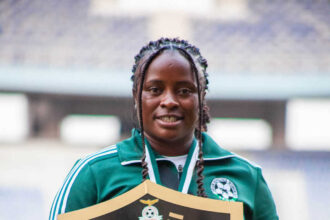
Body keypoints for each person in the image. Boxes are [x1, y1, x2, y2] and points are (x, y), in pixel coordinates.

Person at [49, 38, 278, 220]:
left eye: (185, 91)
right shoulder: (93, 173)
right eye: (155, 89)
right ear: (137, 97)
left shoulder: (247, 176)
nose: (169, 101)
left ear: (202, 98)